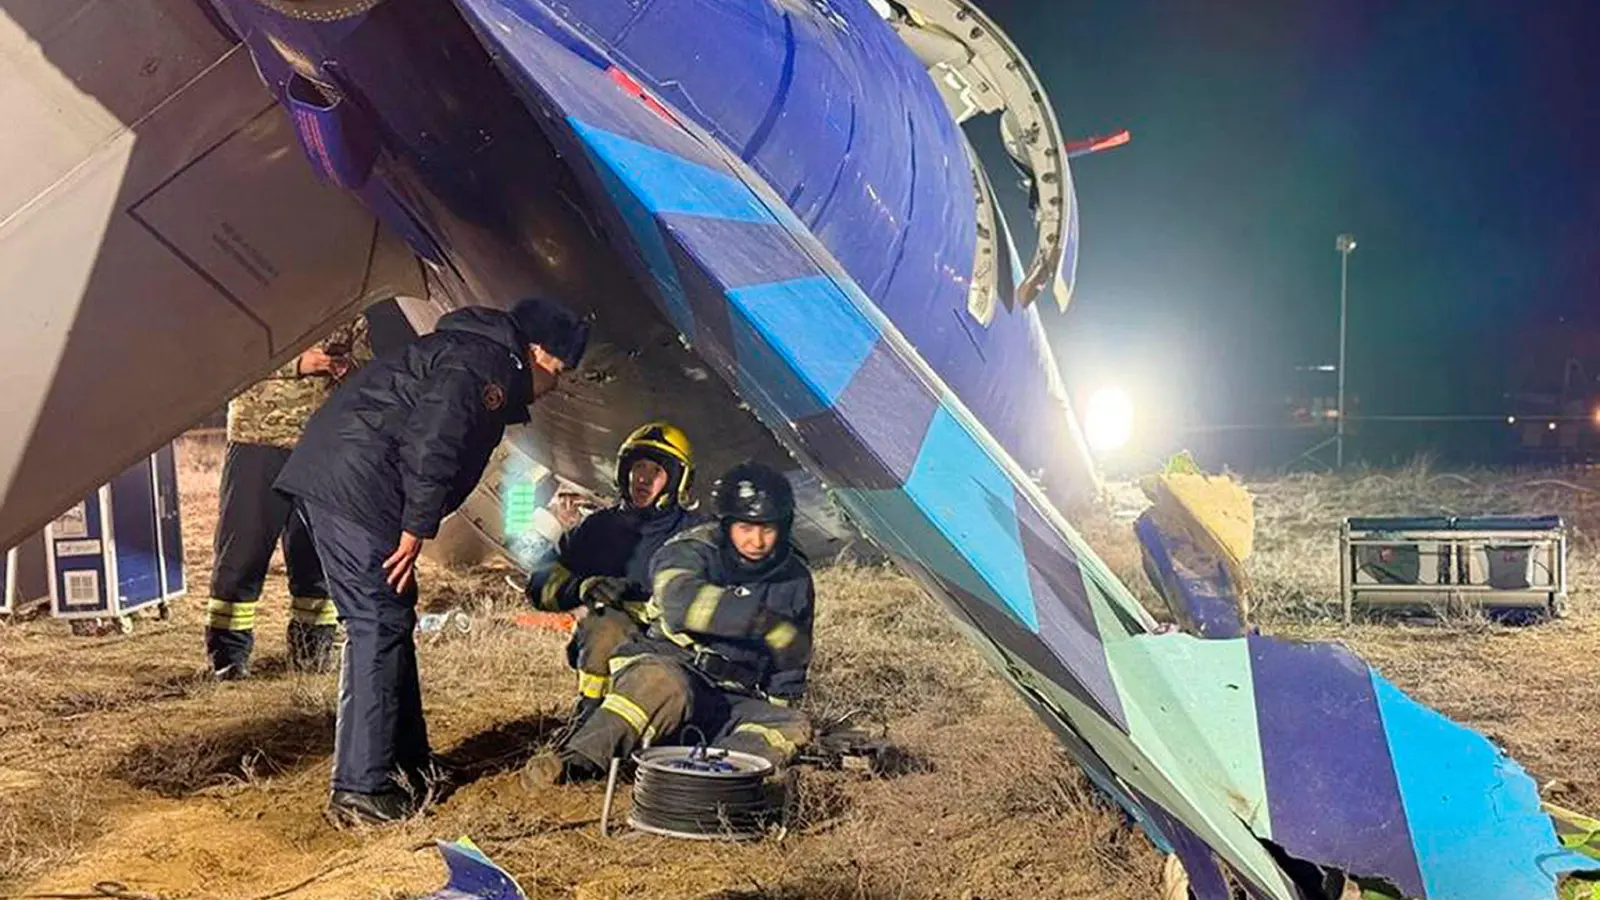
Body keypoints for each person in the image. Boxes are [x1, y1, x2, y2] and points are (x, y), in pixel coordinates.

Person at [274, 298, 589, 826]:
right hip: (356, 490)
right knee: (374, 623)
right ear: (535, 352)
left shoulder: (472, 354)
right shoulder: (483, 365)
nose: (557, 385)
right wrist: (417, 526)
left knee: (392, 618)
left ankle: (407, 768)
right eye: (559, 370)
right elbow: (434, 439)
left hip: (355, 482)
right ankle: (361, 789)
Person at [534, 461, 815, 784]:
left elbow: (791, 662)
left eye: (767, 529)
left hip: (736, 695)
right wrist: (759, 621)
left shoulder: (796, 578)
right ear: (726, 524)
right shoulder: (691, 548)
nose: (757, 541)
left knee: (791, 724)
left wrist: (780, 702)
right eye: (746, 529)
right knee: (663, 685)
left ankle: (711, 783)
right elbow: (679, 603)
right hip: (673, 664)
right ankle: (575, 763)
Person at [206, 314, 371, 680]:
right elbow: (230, 358)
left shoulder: (350, 308)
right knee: (242, 551)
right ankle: (228, 658)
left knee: (315, 556)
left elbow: (368, 365)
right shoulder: (260, 303)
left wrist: (349, 368)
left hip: (322, 445)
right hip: (258, 440)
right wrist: (298, 364)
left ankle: (313, 654)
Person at [525, 422, 706, 731]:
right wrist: (582, 587)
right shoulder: (597, 529)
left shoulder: (700, 535)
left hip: (678, 650)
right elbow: (540, 583)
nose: (644, 479)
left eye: (657, 472)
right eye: (639, 467)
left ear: (677, 480)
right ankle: (590, 715)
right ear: (625, 472)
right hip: (612, 645)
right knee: (604, 626)